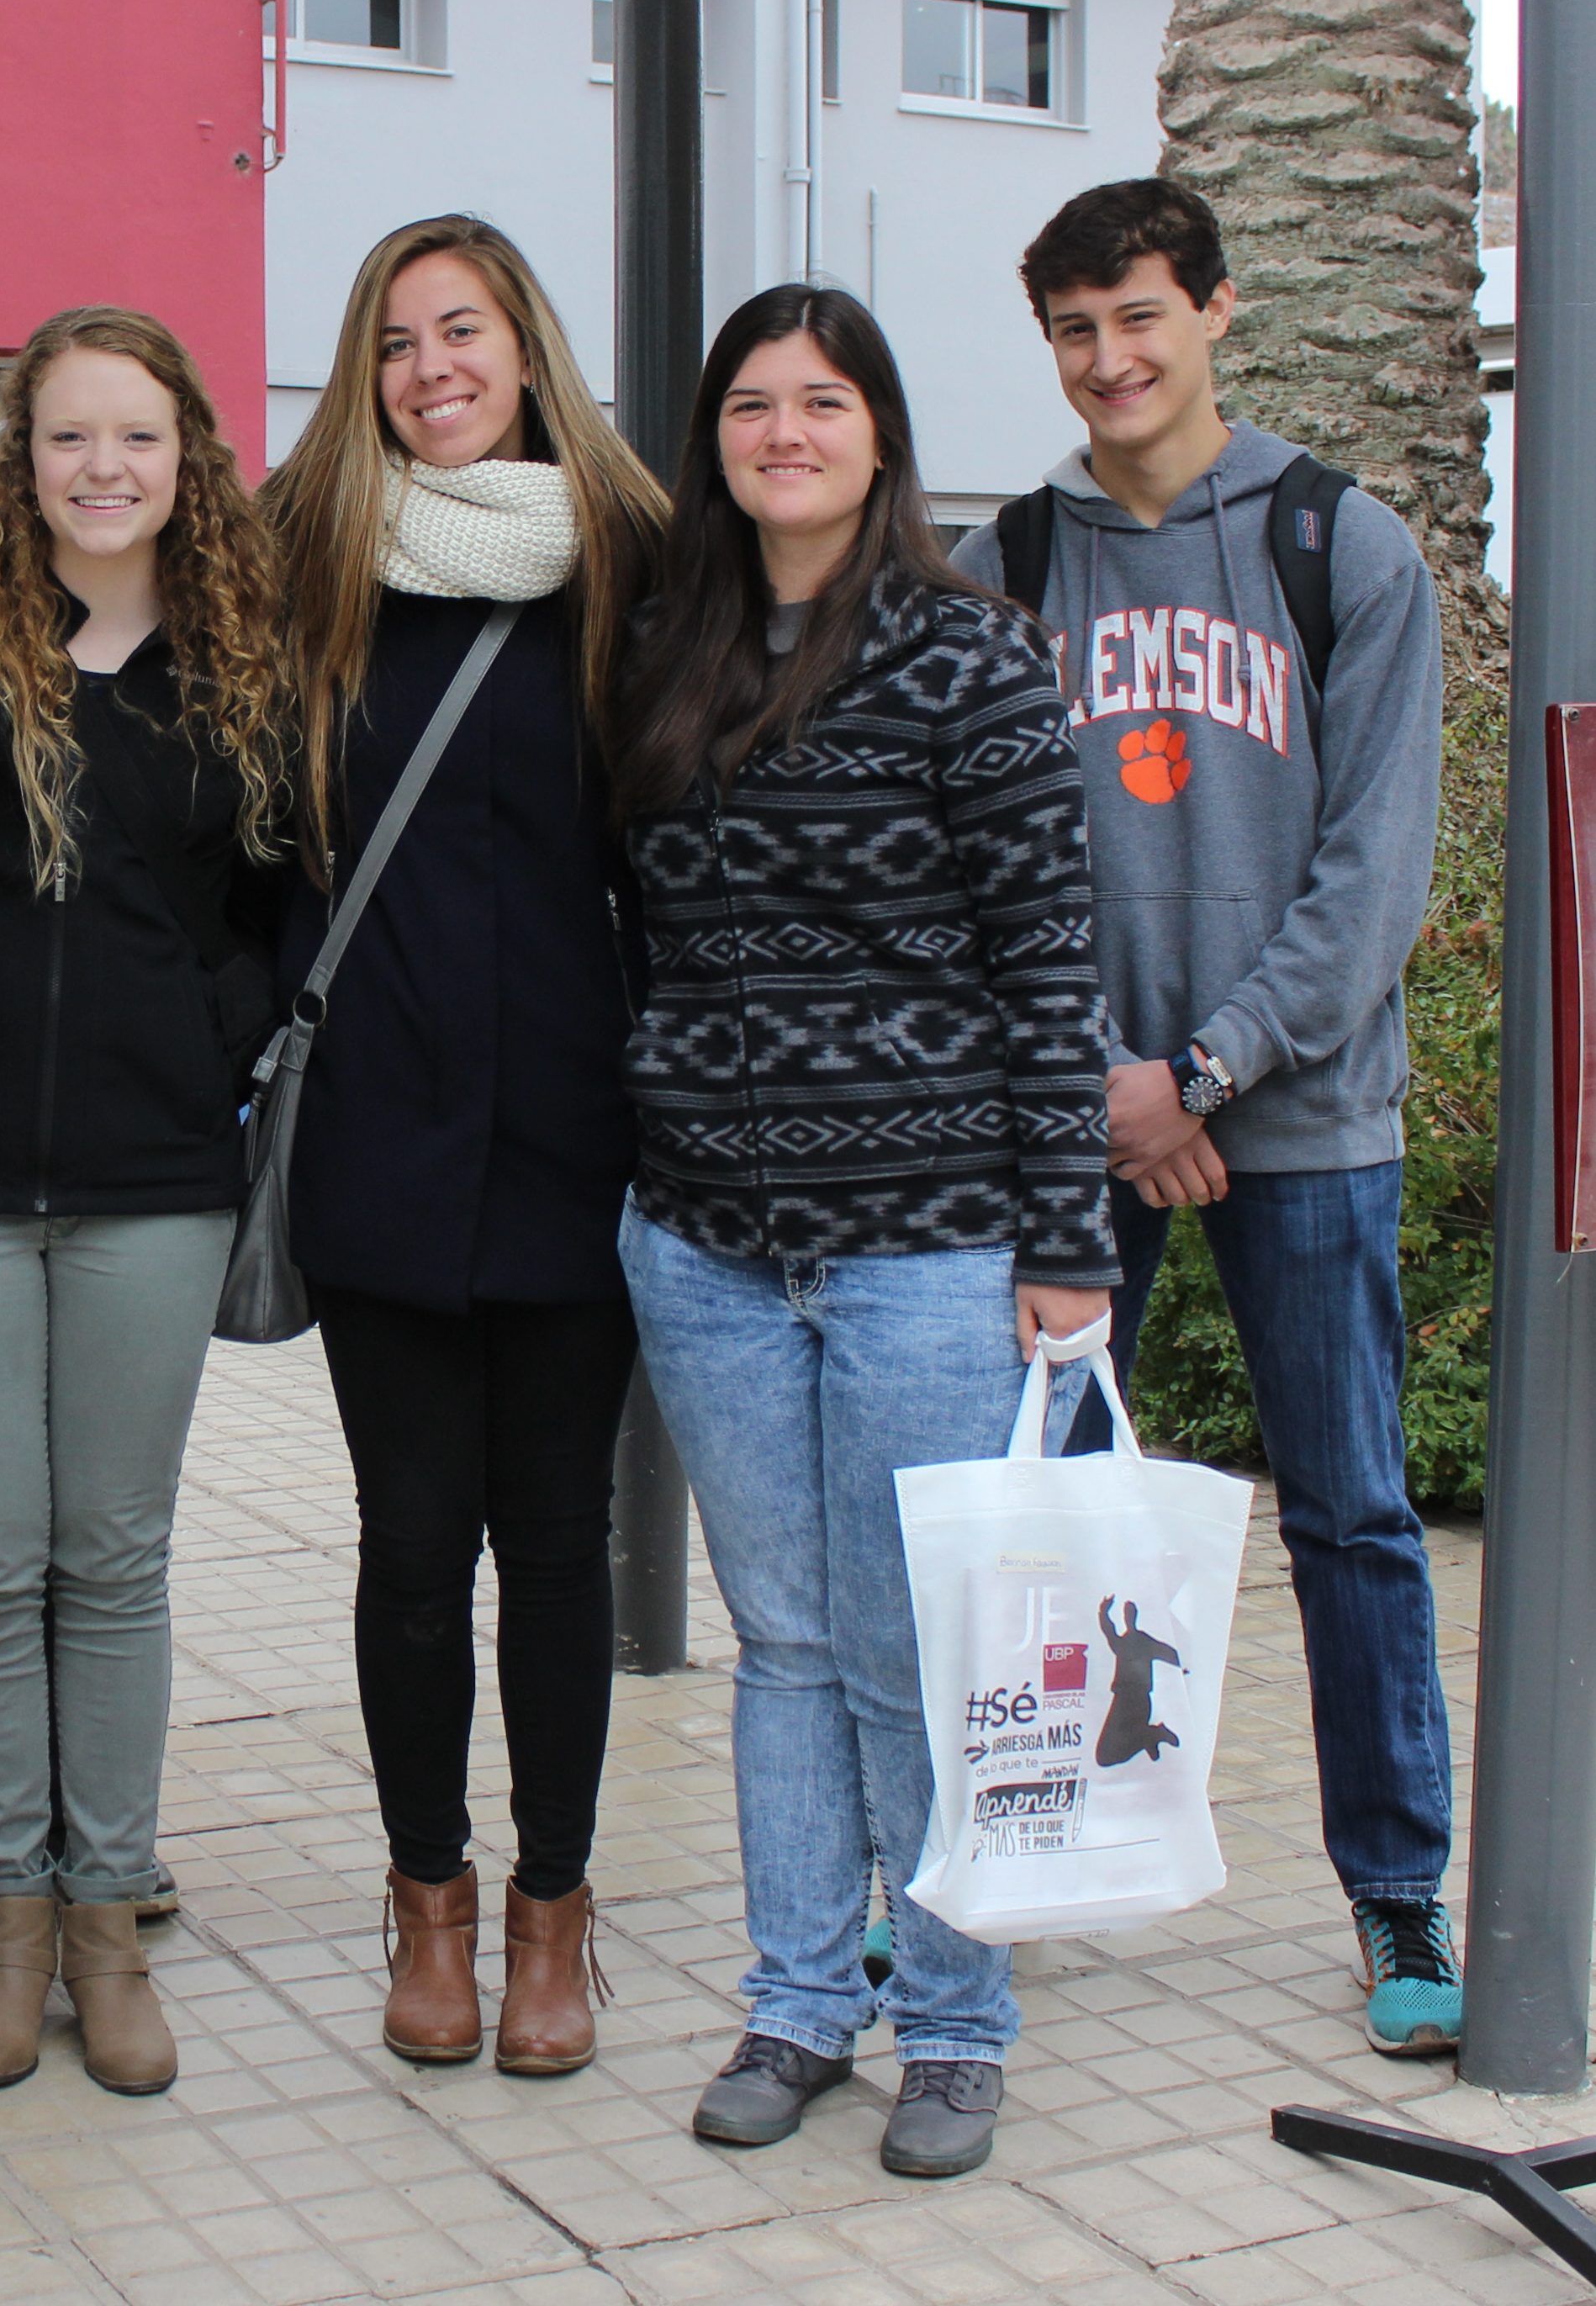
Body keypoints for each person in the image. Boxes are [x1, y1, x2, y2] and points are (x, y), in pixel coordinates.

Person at [608, 283, 1116, 2182]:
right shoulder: (664, 651)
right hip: (709, 1244)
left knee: (926, 1650)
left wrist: (1062, 1248)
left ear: (880, 433)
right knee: (787, 1646)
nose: (783, 434)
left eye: (820, 403)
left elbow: (1049, 967)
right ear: (712, 439)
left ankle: (958, 2024)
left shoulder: (969, 656)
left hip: (928, 1245)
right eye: (749, 405)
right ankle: (800, 2001)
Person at [951, 177, 1462, 2060]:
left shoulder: (1341, 546)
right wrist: (1107, 1081)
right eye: (1074, 331)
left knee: (1348, 1516)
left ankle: (1396, 1895)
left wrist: (1206, 1072)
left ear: (1215, 312)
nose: (1108, 361)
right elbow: (988, 858)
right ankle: (995, 1878)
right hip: (1090, 1119)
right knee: (1040, 1519)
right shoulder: (1008, 562)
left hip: (1303, 1126)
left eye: (1140, 317)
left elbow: (1372, 874)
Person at [0, 306, 292, 2094]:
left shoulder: (242, 657)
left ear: (184, 453)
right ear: (10, 456)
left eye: (135, 437)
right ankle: (4, 1916)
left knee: (108, 1559)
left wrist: (204, 1043)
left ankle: (106, 1913)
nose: (101, 470)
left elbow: (281, 905)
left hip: (150, 1178)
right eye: (64, 439)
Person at [256, 214, 668, 2079]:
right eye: (398, 342)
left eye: (465, 333)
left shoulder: (636, 563)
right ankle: (423, 1904)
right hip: (381, 1144)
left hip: (581, 1140)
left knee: (558, 1548)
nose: (432, 370)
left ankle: (550, 1918)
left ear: (526, 349)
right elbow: (248, 840)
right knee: (410, 1544)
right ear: (364, 372)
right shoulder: (302, 564)